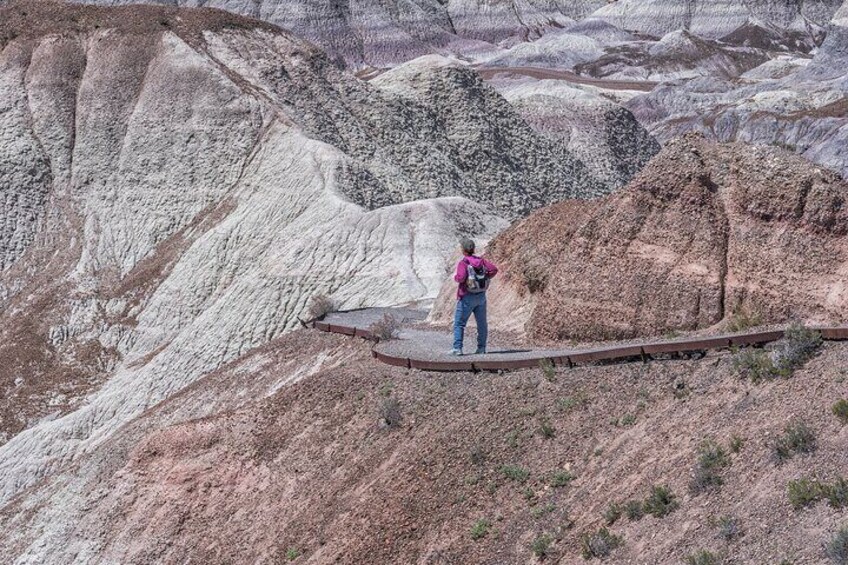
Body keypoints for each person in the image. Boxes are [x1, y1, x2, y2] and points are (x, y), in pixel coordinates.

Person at [449, 238, 498, 356]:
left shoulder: (464, 263)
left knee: (459, 323)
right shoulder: (481, 261)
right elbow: (494, 269)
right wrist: (485, 277)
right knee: (482, 323)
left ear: (463, 250)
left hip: (466, 296)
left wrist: (456, 278)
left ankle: (457, 348)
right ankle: (481, 348)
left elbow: (461, 278)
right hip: (481, 296)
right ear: (473, 249)